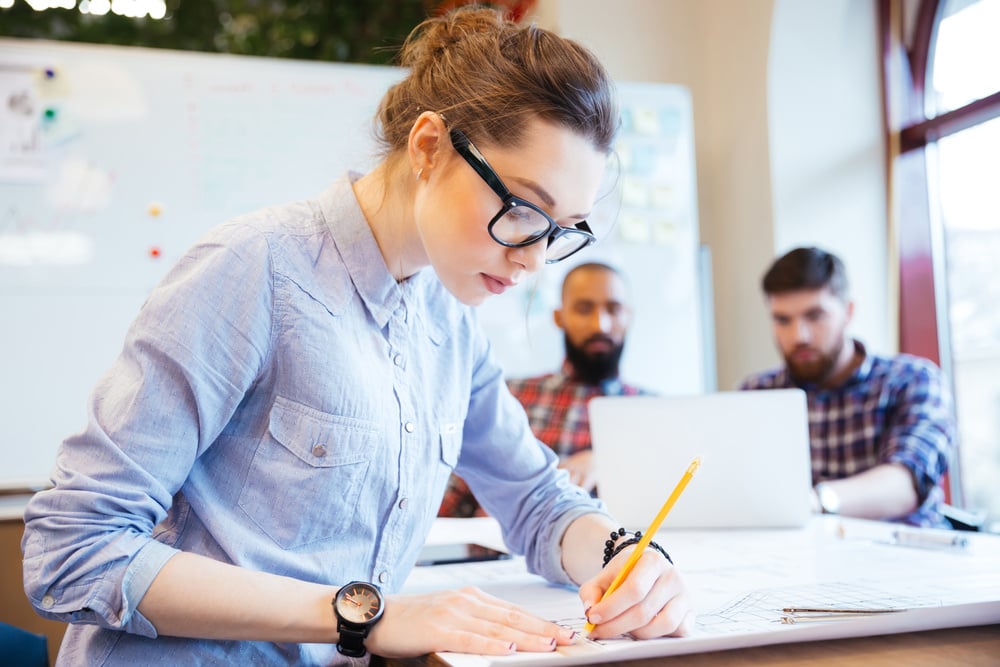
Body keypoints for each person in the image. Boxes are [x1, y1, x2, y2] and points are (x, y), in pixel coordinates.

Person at [21, 7, 693, 665]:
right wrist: (365, 613)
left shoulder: (448, 320)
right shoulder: (255, 268)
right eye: (522, 209)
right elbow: (72, 546)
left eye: (562, 230)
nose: (534, 259)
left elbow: (540, 502)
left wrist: (628, 558)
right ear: (429, 147)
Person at [740, 246, 955, 528]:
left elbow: (906, 484)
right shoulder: (757, 394)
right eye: (783, 320)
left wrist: (817, 501)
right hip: (797, 560)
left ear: (848, 312)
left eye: (815, 316)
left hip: (906, 556)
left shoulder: (913, 380)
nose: (798, 335)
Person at [439, 261, 646, 517]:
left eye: (614, 309)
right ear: (559, 317)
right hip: (501, 554)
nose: (600, 325)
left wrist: (610, 463)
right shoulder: (507, 394)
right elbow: (452, 496)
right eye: (584, 309)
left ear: (629, 316)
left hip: (614, 554)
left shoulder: (652, 415)